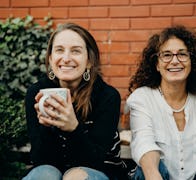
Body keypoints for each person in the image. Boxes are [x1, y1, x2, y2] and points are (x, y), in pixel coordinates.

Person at [126, 25, 196, 180]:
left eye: (182, 54)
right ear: (157, 64)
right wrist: (153, 174)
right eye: (166, 55)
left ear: (192, 61)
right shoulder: (142, 98)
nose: (175, 61)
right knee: (148, 167)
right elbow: (143, 142)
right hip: (157, 176)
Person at [23, 22, 128, 180]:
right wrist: (46, 126)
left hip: (100, 172)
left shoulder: (107, 97)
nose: (66, 58)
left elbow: (96, 162)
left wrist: (73, 128)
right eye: (59, 50)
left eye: (75, 51)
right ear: (51, 59)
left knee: (75, 177)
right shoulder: (36, 94)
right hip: (52, 171)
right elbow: (40, 160)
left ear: (89, 61)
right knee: (44, 174)